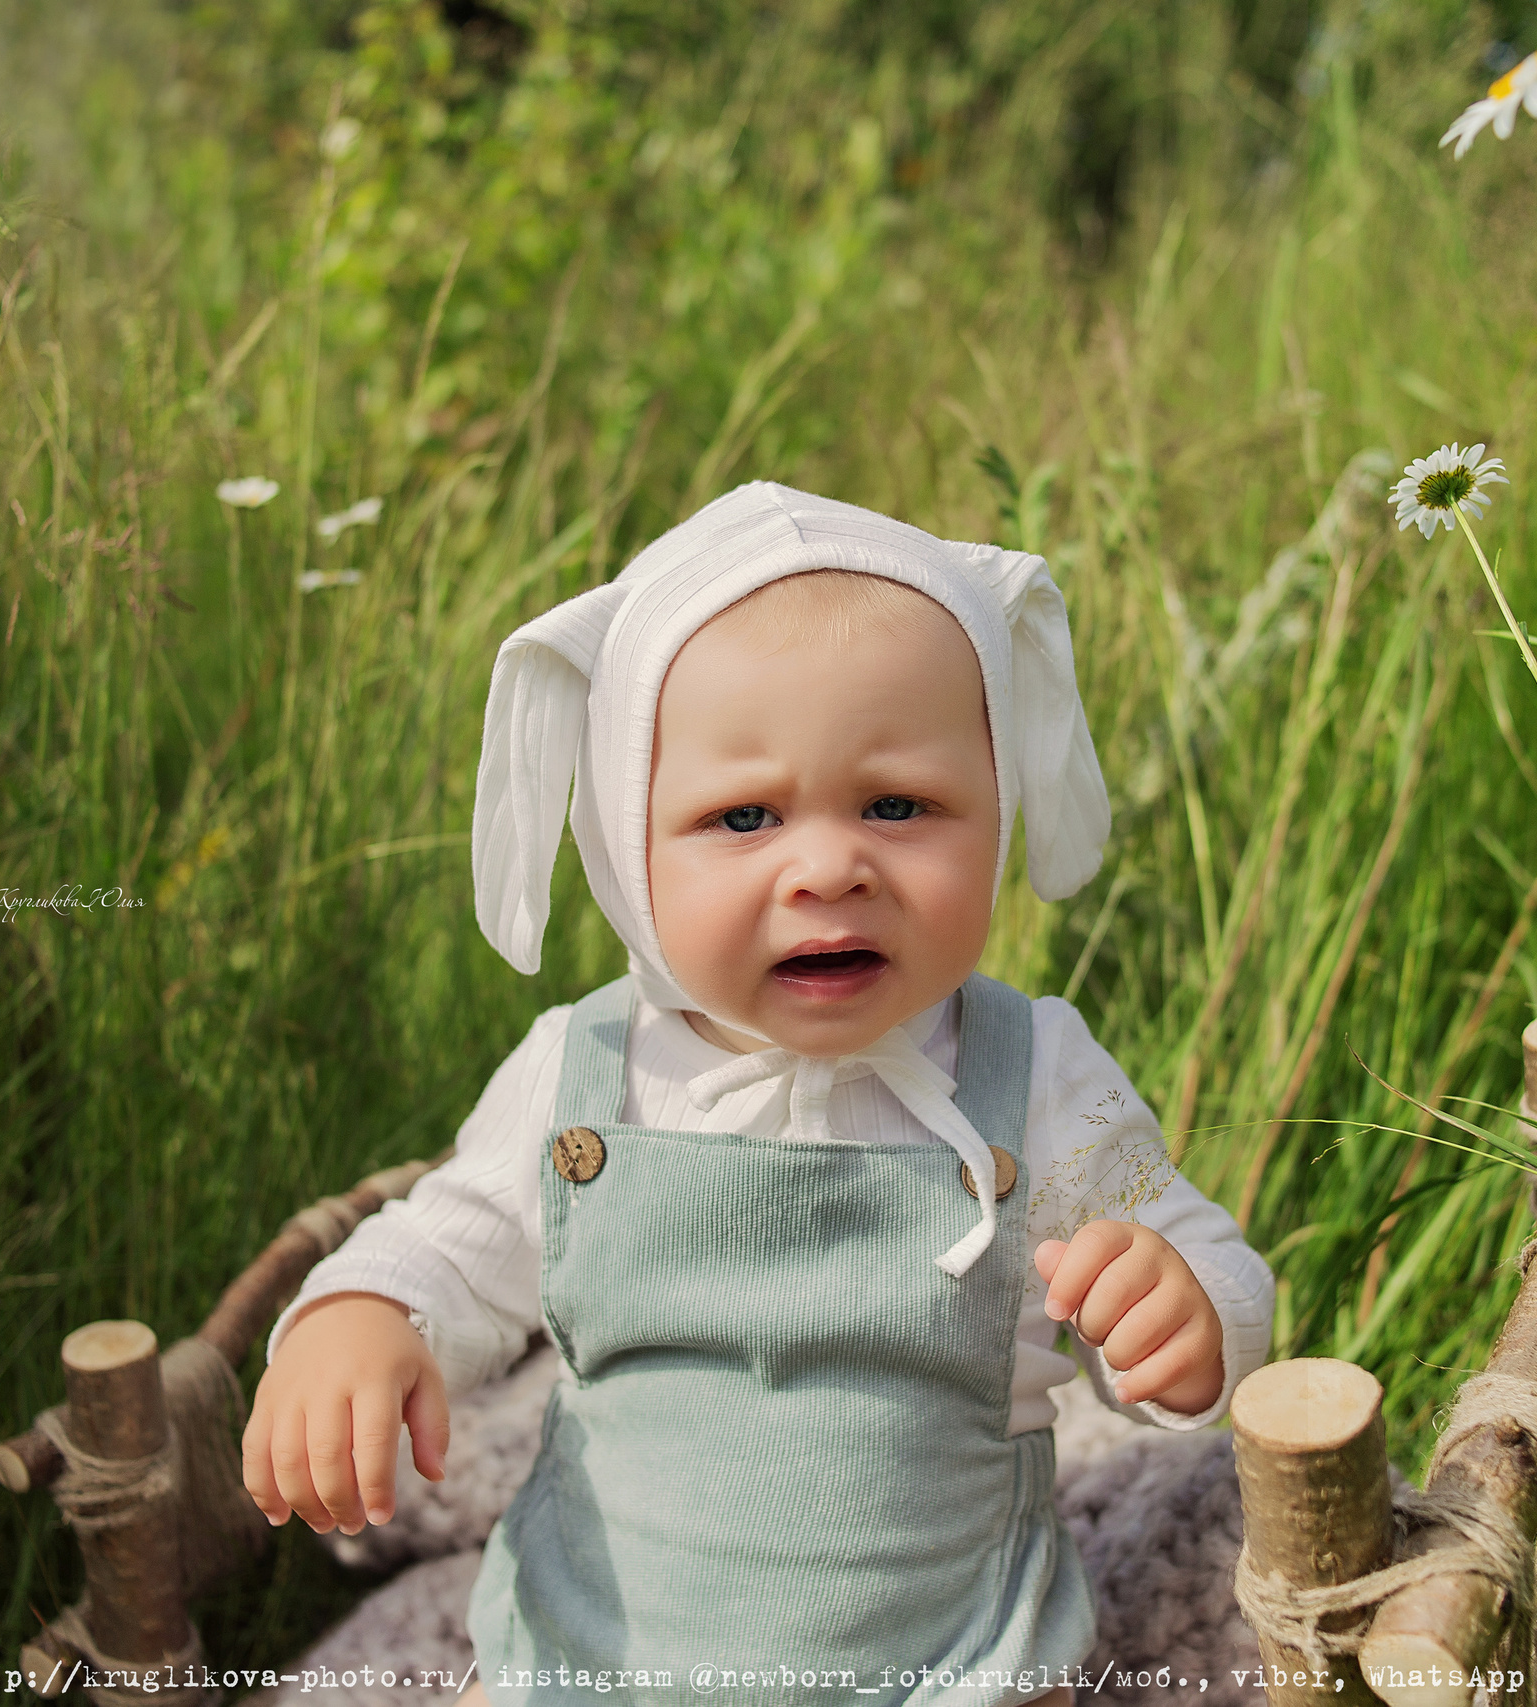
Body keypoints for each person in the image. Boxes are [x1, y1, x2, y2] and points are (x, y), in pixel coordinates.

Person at [242, 482, 1275, 1705]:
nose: (830, 865)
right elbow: (446, 1254)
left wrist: (1182, 1316)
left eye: (899, 805)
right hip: (595, 1660)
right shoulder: (586, 1074)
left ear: (994, 813)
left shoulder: (1031, 1070)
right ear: (630, 849)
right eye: (742, 817)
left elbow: (1216, 1276)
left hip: (948, 1664)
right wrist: (354, 1318)